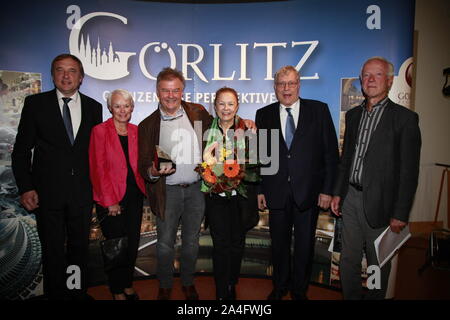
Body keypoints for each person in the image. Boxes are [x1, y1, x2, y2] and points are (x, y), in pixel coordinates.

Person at [138, 68, 255, 300]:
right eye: (165, 90)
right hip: (167, 191)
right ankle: (164, 285)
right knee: (164, 244)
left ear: (182, 91)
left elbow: (224, 123)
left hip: (196, 190)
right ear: (157, 91)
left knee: (192, 242)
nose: (171, 95)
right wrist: (152, 171)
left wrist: (245, 122)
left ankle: (188, 282)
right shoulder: (147, 124)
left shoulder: (198, 112)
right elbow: (143, 165)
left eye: (176, 90)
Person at [11, 53, 102, 300]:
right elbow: (21, 151)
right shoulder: (35, 104)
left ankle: (75, 293)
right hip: (46, 194)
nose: (66, 75)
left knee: (79, 250)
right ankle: (56, 296)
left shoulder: (95, 107)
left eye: (72, 70)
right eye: (60, 70)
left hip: (82, 193)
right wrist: (25, 187)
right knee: (52, 251)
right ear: (52, 75)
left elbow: (96, 154)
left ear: (81, 77)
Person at [330, 57, 421, 300]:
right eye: (366, 76)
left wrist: (401, 213)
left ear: (390, 81)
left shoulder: (405, 119)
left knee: (376, 262)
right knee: (348, 259)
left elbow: (409, 172)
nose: (370, 80)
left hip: (382, 204)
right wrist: (338, 192)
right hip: (350, 199)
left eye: (377, 75)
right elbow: (346, 159)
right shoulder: (353, 116)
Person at [256, 65, 339, 300]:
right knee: (279, 246)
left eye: (291, 83)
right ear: (274, 88)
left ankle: (299, 290)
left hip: (309, 193)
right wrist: (261, 189)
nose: (286, 88)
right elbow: (263, 157)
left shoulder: (319, 111)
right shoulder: (264, 114)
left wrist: (327, 190)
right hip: (277, 192)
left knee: (304, 247)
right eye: (281, 84)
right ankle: (280, 286)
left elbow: (331, 155)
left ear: (299, 85)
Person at [200, 87, 259, 300]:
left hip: (240, 199)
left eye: (230, 104)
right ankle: (221, 287)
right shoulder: (205, 129)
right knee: (220, 245)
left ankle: (232, 283)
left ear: (237, 106)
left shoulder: (248, 130)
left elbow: (254, 165)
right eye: (222, 104)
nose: (226, 108)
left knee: (237, 244)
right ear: (215, 106)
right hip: (216, 198)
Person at [89, 89, 146, 300]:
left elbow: (144, 162)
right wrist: (110, 201)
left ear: (132, 108)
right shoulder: (100, 131)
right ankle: (116, 289)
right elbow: (98, 168)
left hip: (135, 196)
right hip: (111, 198)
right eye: (118, 106)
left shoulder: (136, 130)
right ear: (110, 108)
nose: (122, 110)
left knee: (131, 244)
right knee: (115, 246)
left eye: (126, 106)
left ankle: (127, 283)